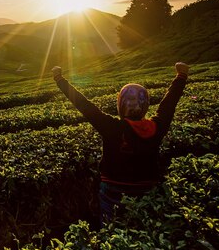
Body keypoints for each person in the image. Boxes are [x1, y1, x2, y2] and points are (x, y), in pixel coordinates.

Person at [51, 62, 189, 226]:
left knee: (112, 233)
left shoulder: (112, 127)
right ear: (145, 107)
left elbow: (84, 105)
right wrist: (181, 76)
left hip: (113, 191)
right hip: (147, 190)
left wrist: (59, 79)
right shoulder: (156, 128)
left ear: (121, 106)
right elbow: (168, 104)